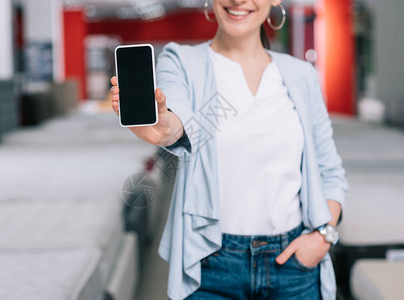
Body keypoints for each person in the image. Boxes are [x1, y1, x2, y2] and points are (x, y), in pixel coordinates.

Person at [110, 0, 348, 299]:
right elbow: (179, 117)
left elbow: (330, 171)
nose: (238, 1)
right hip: (211, 264)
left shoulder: (301, 74)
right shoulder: (182, 60)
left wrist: (323, 237)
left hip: (294, 265)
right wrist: (164, 127)